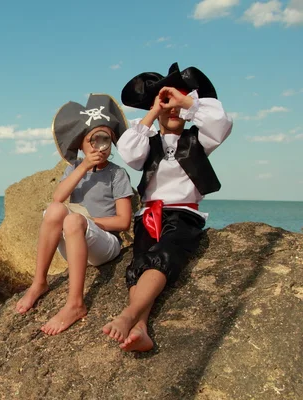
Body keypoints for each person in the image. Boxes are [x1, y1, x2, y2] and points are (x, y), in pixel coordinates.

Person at [103, 62, 233, 351]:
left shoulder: (198, 139)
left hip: (183, 214)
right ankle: (141, 329)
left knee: (165, 254)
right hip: (148, 214)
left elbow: (221, 122)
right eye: (166, 106)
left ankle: (129, 316)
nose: (172, 111)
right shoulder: (148, 143)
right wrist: (153, 110)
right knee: (139, 264)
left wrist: (185, 100)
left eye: (177, 108)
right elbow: (129, 152)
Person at [15, 94, 134, 336]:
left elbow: (123, 222)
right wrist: (83, 167)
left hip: (105, 244)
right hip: (76, 242)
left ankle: (75, 304)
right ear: (81, 144)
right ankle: (39, 282)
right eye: (92, 140)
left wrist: (87, 222)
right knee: (55, 209)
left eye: (105, 140)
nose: (98, 146)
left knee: (72, 219)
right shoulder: (74, 169)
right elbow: (58, 198)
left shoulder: (117, 174)